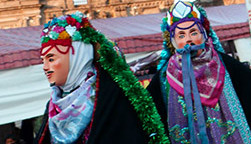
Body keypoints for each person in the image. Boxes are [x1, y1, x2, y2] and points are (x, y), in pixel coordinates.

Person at [146, 0, 251, 144]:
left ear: (204, 34)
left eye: (193, 32)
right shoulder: (165, 76)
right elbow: (147, 110)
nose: (188, 39)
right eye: (181, 35)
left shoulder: (224, 65)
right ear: (172, 40)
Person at [35, 12, 168, 144]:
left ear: (78, 57)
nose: (45, 67)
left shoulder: (112, 95)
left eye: (51, 59)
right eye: (43, 61)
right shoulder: (54, 104)